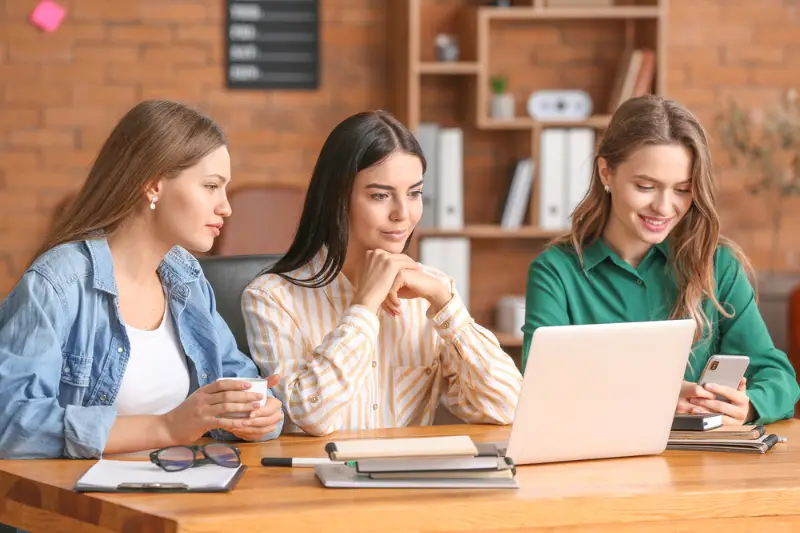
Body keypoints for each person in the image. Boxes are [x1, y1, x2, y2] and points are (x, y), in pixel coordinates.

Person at [0, 100, 284, 459]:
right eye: (211, 186)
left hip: (185, 490)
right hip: (85, 504)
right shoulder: (58, 282)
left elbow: (240, 384)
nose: (226, 207)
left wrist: (260, 413)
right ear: (153, 186)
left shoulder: (186, 278)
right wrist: (165, 428)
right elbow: (11, 423)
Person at [522, 94, 800, 426]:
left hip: (700, 469)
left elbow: (777, 376)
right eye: (646, 186)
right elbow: (543, 388)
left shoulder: (717, 265)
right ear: (606, 172)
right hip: (595, 466)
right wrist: (661, 393)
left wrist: (749, 405)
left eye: (682, 189)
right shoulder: (555, 272)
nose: (665, 208)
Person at [242, 110, 522, 436]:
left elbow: (508, 407)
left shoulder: (431, 292)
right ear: (338, 199)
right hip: (317, 481)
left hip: (407, 483)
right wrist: (363, 307)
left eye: (414, 193)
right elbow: (312, 416)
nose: (402, 214)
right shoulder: (271, 298)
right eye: (380, 195)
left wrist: (447, 305)